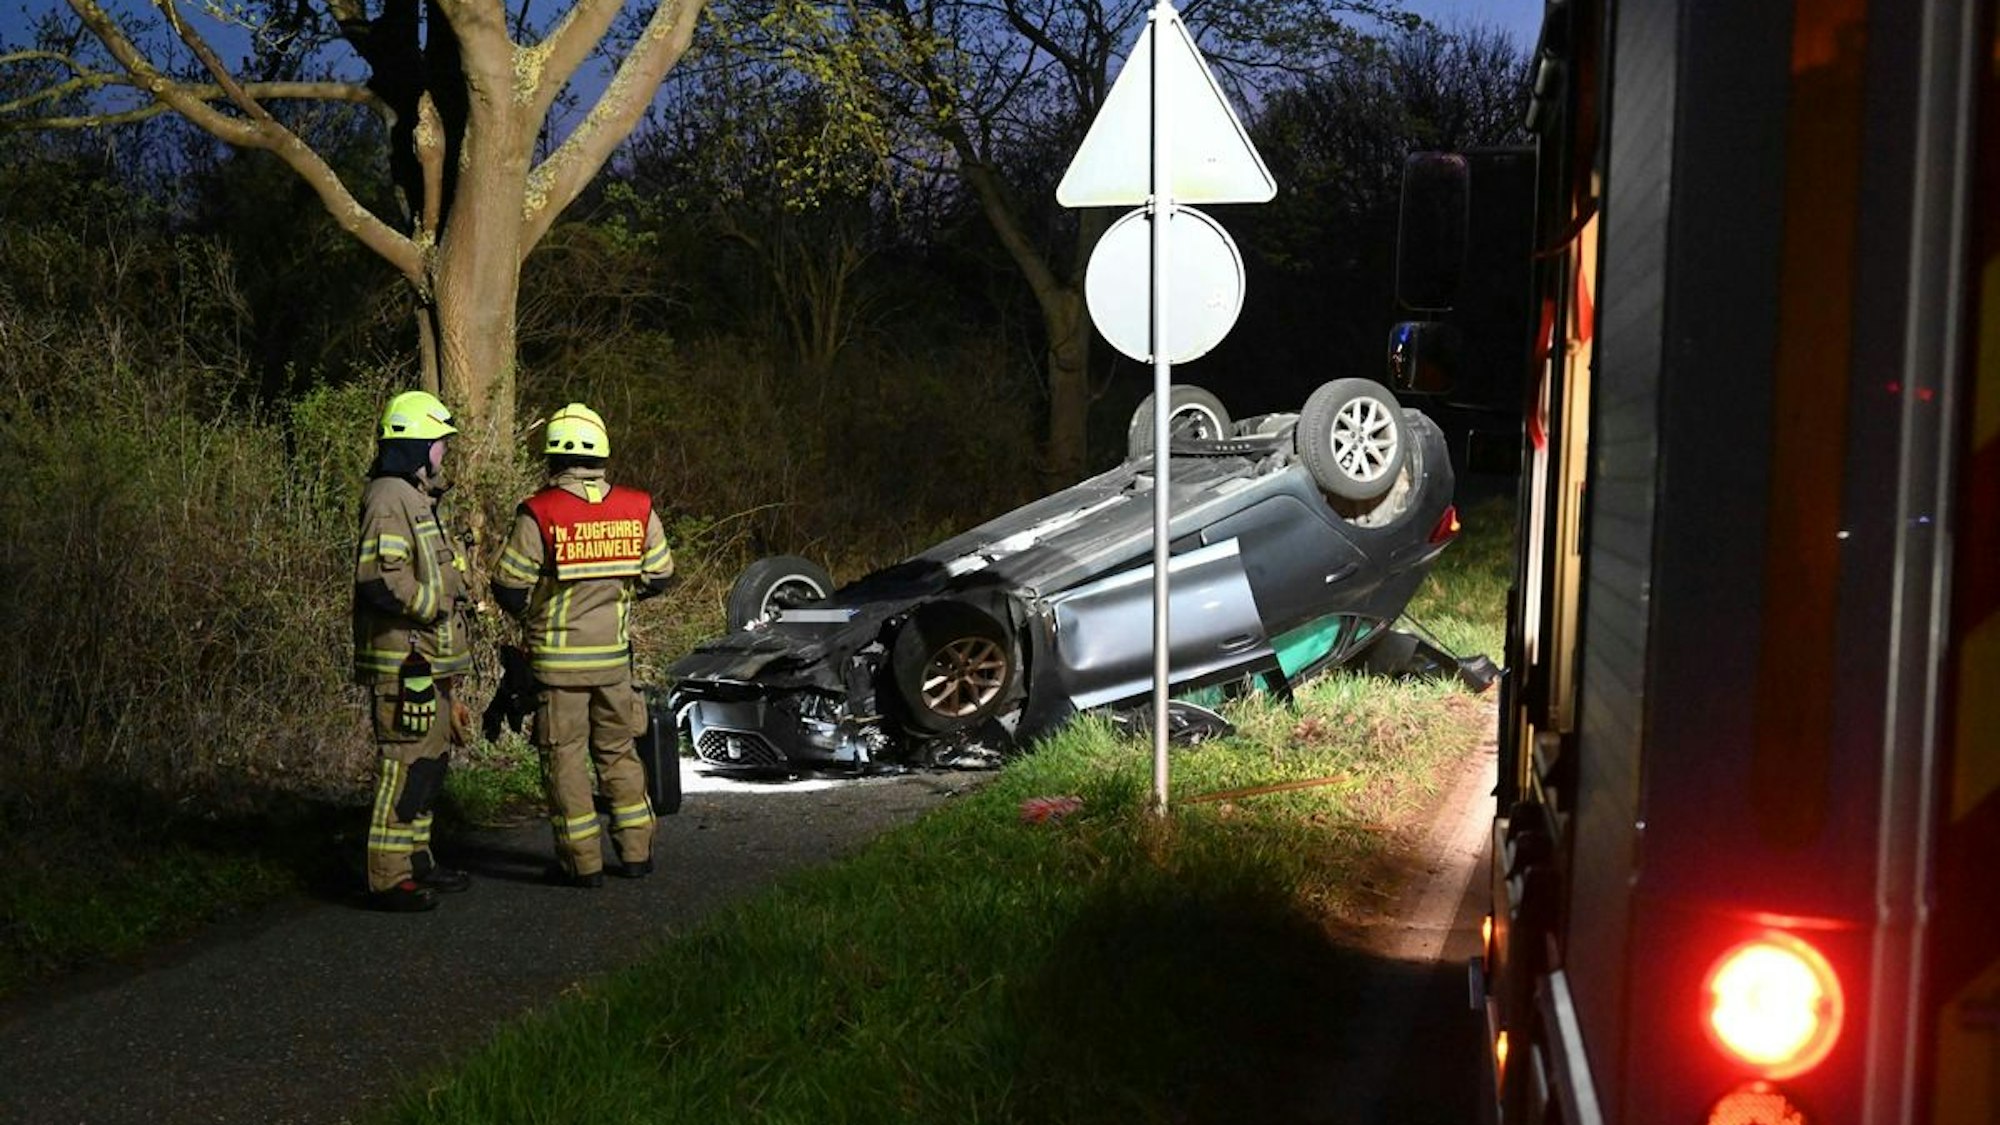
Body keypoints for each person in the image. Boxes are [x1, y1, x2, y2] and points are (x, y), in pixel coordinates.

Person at [492, 402, 675, 887]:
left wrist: (539, 610)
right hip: (614, 664)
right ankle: (636, 854)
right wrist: (620, 592)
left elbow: (509, 586)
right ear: (602, 452)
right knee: (618, 752)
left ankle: (582, 864)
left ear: (553, 456)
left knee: (565, 757)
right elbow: (661, 575)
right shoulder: (638, 507)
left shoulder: (540, 512)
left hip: (557, 668)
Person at [351, 389, 475, 912]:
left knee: (429, 763)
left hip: (429, 660)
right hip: (404, 663)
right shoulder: (387, 497)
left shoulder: (417, 497)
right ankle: (387, 877)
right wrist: (437, 605)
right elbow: (380, 579)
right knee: (403, 765)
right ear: (416, 445)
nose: (444, 452)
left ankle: (417, 860)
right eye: (439, 443)